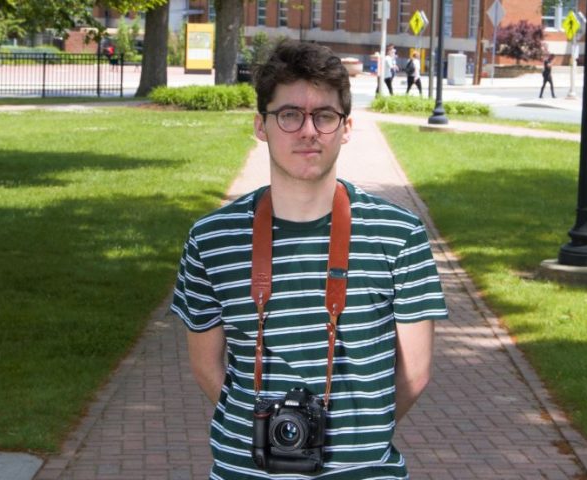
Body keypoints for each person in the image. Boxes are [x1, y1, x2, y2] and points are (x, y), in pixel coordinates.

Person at [171, 39, 448, 479]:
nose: (308, 131)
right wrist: (261, 427)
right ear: (261, 126)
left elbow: (415, 374)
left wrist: (358, 436)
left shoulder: (399, 235)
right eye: (289, 115)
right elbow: (206, 366)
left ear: (346, 127)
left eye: (324, 116)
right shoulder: (212, 239)